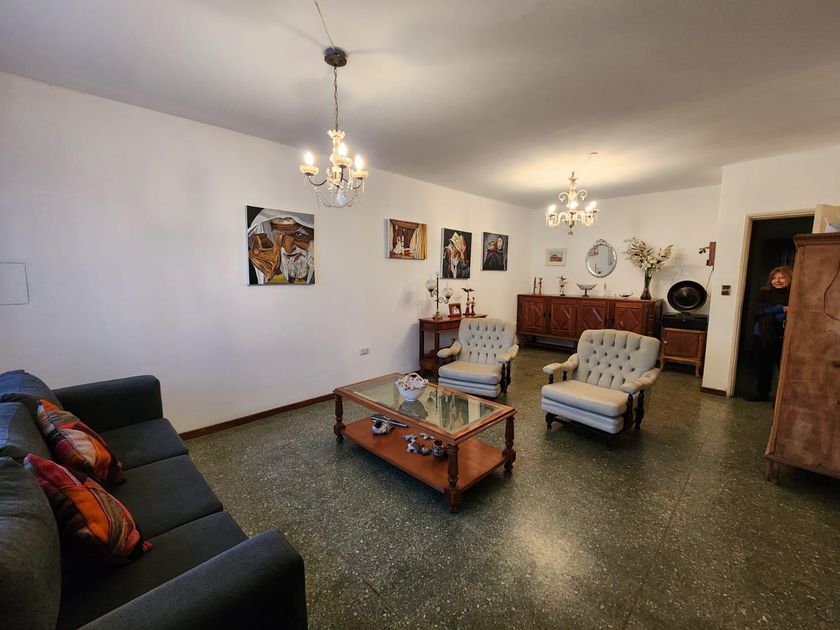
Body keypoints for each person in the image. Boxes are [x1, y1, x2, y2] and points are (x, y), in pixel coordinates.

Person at [747, 265, 792, 401]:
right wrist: (781, 309)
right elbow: (756, 310)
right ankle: (762, 394)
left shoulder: (794, 293)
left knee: (784, 368)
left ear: (790, 278)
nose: (777, 281)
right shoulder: (764, 292)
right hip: (763, 334)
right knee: (763, 365)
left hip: (784, 335)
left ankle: (781, 400)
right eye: (774, 278)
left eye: (781, 277)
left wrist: (773, 312)